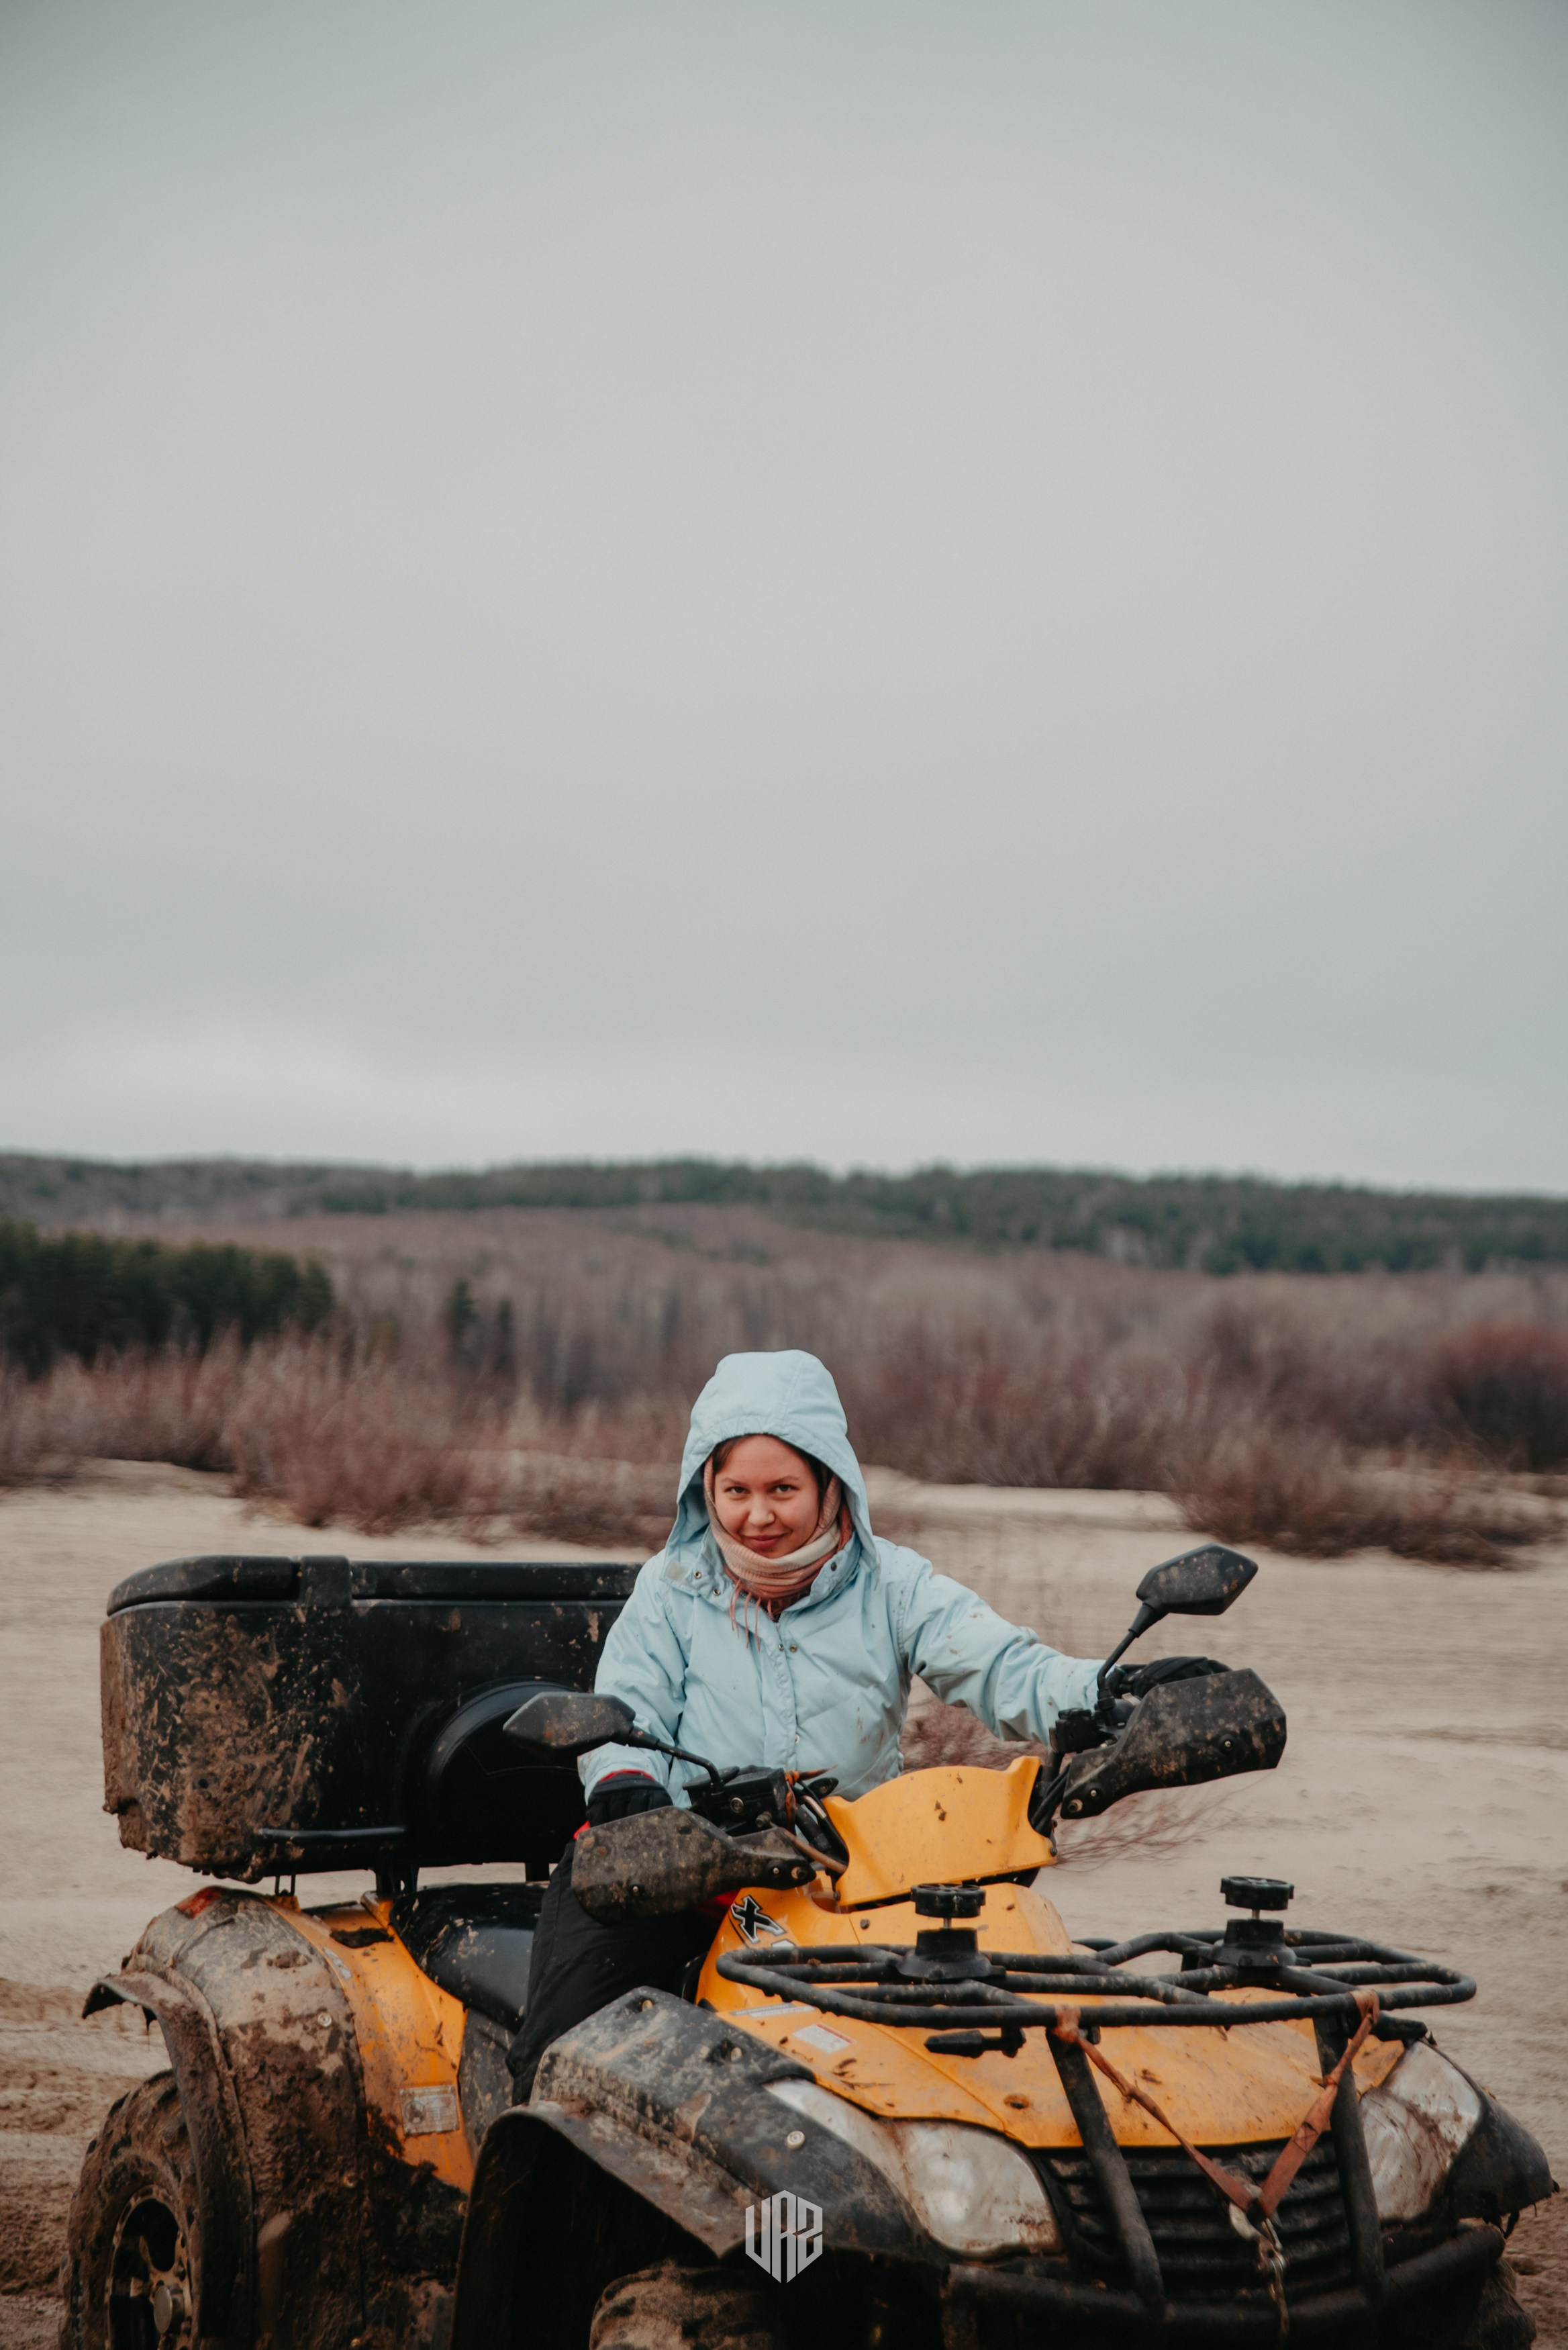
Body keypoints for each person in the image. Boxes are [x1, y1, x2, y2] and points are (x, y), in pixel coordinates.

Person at [511, 1348, 1218, 2094]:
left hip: (852, 1870)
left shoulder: (893, 1584)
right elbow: (630, 1700)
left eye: (783, 1489)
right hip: (675, 1866)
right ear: (704, 1488)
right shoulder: (671, 1587)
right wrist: (625, 1778)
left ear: (829, 1482)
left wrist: (1108, 1689)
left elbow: (1001, 1664)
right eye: (736, 1490)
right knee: (568, 2058)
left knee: (976, 2043)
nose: (757, 1515)